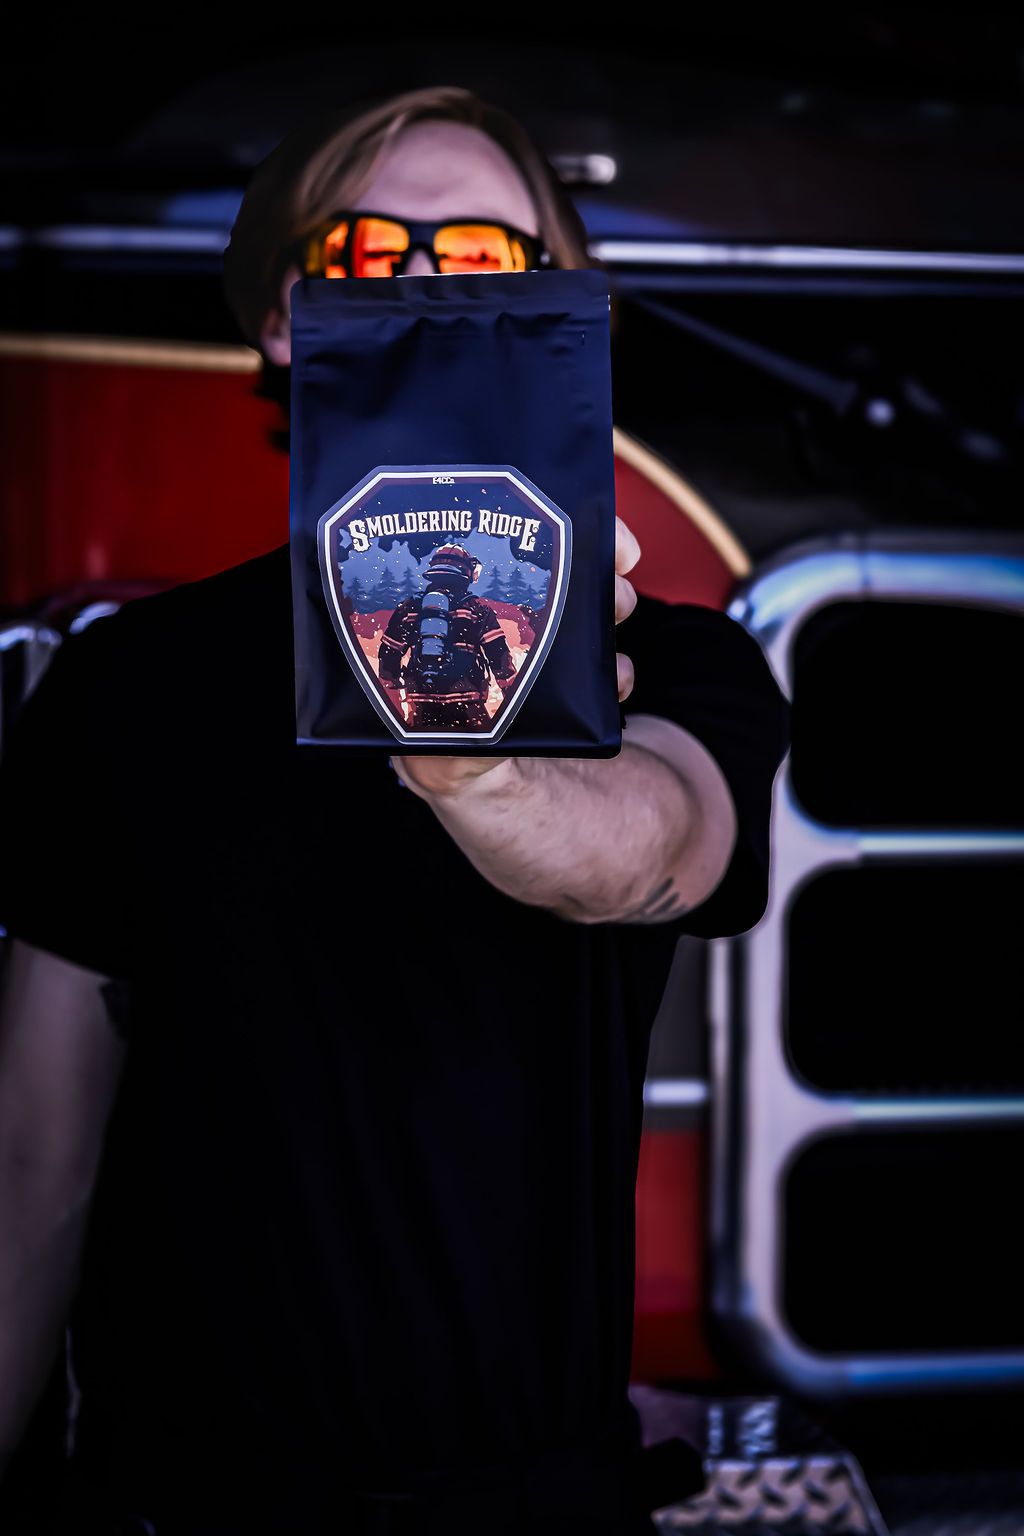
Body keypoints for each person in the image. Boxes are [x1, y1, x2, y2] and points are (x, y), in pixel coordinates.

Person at [0, 86, 791, 1535]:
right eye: (368, 252)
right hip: (175, 1508)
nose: (427, 281)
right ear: (287, 319)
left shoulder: (674, 660)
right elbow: (34, 1156)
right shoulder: (126, 687)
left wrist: (472, 762)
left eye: (488, 256)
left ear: (565, 316)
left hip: (525, 1508)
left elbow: (650, 847)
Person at [377, 544, 518, 731]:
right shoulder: (477, 609)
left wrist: (393, 702)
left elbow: (389, 655)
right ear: (466, 572)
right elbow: (498, 656)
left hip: (421, 701)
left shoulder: (409, 608)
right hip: (468, 701)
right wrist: (515, 700)